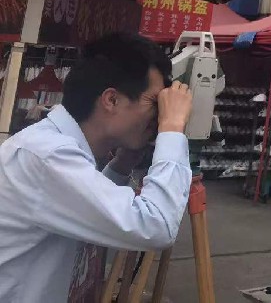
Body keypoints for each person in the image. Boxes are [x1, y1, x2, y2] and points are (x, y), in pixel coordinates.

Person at [0, 32, 194, 302]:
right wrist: (172, 128)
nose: (159, 115)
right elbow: (156, 225)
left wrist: (122, 166)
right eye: (155, 102)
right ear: (111, 100)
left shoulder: (54, 149)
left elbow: (87, 208)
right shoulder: (47, 155)